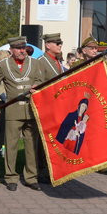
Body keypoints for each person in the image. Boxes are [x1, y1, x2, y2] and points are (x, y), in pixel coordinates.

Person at [0, 36, 41, 191]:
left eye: (23, 47)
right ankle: (10, 177)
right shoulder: (3, 65)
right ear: (11, 50)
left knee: (31, 145)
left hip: (31, 109)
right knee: (11, 145)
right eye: (18, 48)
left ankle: (31, 177)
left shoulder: (35, 63)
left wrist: (38, 85)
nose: (22, 51)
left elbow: (42, 80)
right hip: (13, 110)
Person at [33, 32, 65, 183]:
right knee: (43, 140)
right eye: (57, 43)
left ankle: (51, 168)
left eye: (60, 43)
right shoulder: (41, 61)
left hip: (57, 106)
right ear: (47, 45)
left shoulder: (57, 62)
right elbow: (38, 85)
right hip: (46, 106)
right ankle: (41, 171)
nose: (60, 46)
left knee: (54, 139)